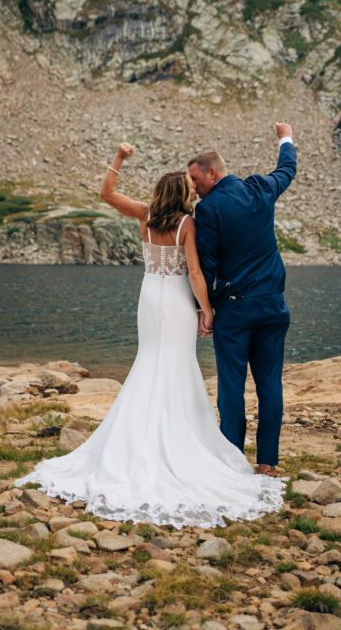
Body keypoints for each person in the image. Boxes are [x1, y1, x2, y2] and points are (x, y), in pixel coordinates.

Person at [15, 144, 285, 529]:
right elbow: (194, 274)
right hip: (175, 301)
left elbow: (106, 193)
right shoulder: (187, 224)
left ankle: (134, 439)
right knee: (176, 365)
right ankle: (181, 440)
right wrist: (207, 310)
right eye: (190, 188)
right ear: (181, 195)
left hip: (148, 299)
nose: (195, 191)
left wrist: (120, 159)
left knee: (149, 362)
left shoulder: (144, 216)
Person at [188, 123, 296, 477]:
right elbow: (287, 169)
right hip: (272, 306)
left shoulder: (208, 210)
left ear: (213, 173)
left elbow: (207, 263)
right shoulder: (260, 188)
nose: (193, 186)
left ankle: (232, 460)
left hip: (234, 309)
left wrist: (205, 308)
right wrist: (285, 137)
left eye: (196, 179)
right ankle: (267, 463)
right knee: (270, 384)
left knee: (231, 385)